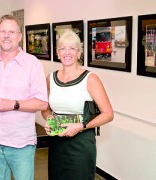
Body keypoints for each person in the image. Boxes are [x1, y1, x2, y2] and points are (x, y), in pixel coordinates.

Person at [0, 14, 48, 180]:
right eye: (3, 31)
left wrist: (12, 104)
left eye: (11, 32)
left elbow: (42, 103)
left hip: (21, 144)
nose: (6, 36)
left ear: (19, 36)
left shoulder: (32, 63)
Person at [41, 30, 114, 180]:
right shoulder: (50, 79)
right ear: (58, 53)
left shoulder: (90, 79)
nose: (67, 52)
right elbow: (45, 108)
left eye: (72, 48)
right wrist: (50, 120)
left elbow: (108, 114)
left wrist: (81, 126)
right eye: (63, 48)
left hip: (81, 142)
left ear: (79, 53)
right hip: (57, 140)